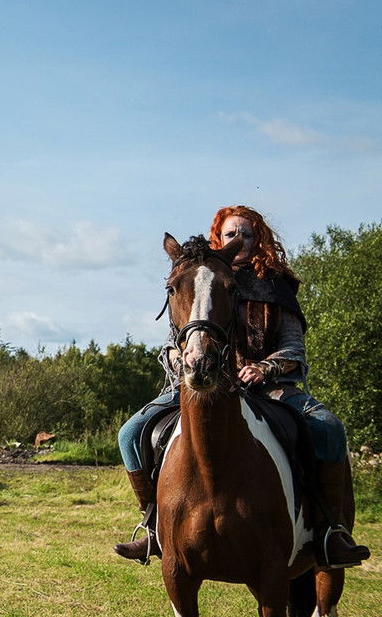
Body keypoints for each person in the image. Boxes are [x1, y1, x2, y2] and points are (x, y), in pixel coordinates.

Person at [114, 205, 370, 568]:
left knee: (328, 428)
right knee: (130, 434)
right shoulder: (199, 276)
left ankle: (331, 531)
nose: (240, 240)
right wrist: (177, 359)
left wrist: (265, 367)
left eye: (247, 234)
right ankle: (153, 525)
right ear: (220, 237)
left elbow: (294, 347)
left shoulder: (276, 285)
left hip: (270, 387)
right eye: (232, 234)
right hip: (200, 383)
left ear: (258, 238)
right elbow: (175, 340)